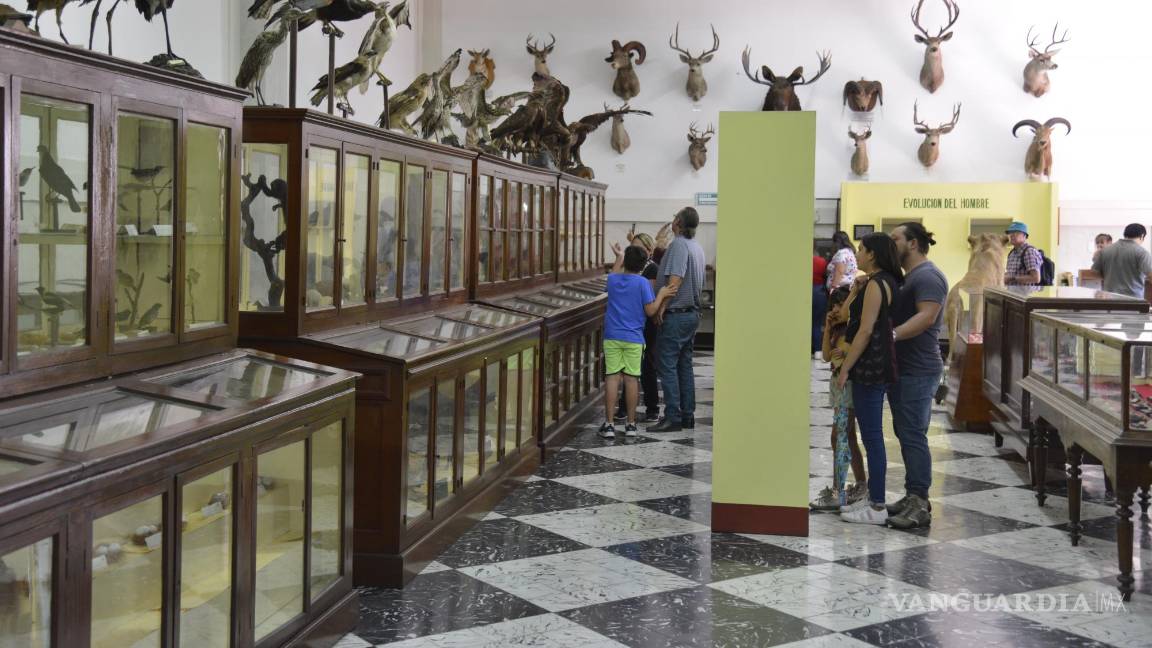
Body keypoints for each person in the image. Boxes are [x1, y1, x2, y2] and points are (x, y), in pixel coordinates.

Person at [885, 222, 949, 529]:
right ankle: (912, 494)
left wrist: (890, 336)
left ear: (912, 243)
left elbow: (926, 316)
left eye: (895, 238)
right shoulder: (910, 276)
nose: (891, 243)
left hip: (919, 369)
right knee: (906, 432)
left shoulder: (928, 276)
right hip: (904, 367)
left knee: (913, 434)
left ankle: (920, 502)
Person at [838, 232, 903, 525]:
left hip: (870, 365)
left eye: (861, 249)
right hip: (877, 363)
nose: (857, 254)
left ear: (873, 255)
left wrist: (845, 368)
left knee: (872, 437)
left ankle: (877, 505)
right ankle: (873, 498)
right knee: (871, 436)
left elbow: (865, 331)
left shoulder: (878, 284)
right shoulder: (882, 281)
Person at [600, 244, 678, 439]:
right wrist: (661, 294)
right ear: (643, 265)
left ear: (625, 262)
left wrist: (619, 256)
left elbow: (614, 272)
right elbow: (650, 311)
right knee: (631, 379)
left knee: (612, 378)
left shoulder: (613, 279)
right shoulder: (643, 283)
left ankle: (609, 425)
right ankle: (631, 424)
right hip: (634, 338)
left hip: (612, 336)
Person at [649, 207, 707, 432]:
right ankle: (687, 415)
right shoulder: (696, 247)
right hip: (691, 314)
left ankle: (672, 415)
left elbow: (675, 280)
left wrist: (661, 307)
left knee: (667, 365)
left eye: (675, 217)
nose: (672, 220)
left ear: (679, 223)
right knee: (684, 365)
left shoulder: (679, 245)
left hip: (676, 314)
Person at [810, 285, 868, 511]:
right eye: (834, 304)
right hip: (837, 385)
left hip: (847, 386)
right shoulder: (836, 329)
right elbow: (826, 356)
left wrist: (846, 353)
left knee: (839, 436)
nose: (836, 309)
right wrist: (827, 329)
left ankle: (838, 490)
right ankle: (860, 485)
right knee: (847, 436)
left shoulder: (853, 329)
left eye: (841, 304)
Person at [615, 232, 663, 422]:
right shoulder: (630, 268)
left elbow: (647, 298)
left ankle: (652, 407)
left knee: (647, 365)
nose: (634, 251)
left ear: (649, 250)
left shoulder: (652, 269)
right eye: (632, 247)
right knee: (628, 366)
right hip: (630, 323)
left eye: (639, 247)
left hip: (646, 323)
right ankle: (624, 407)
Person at [1092, 223, 1152, 299]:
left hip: (1109, 299)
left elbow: (1095, 271)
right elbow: (1150, 275)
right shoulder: (1142, 253)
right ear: (1142, 236)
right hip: (1133, 301)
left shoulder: (1105, 251)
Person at [1004, 221, 1043, 286]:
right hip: (1011, 291)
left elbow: (1036, 278)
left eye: (1016, 232)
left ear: (1025, 235)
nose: (1011, 235)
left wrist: (1012, 278)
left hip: (1024, 292)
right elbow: (1011, 274)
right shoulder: (1012, 253)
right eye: (1010, 233)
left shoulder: (1029, 252)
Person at [813, 250, 830, 355]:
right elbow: (826, 276)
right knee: (817, 323)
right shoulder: (822, 261)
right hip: (819, 292)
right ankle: (818, 351)